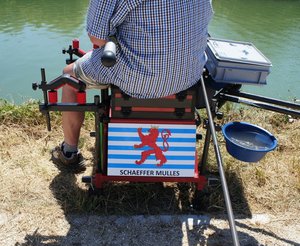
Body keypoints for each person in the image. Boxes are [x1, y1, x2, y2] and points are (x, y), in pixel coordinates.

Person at [51, 0, 214, 171]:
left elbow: (97, 38)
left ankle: (69, 152)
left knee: (69, 77)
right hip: (186, 76)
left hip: (135, 78)